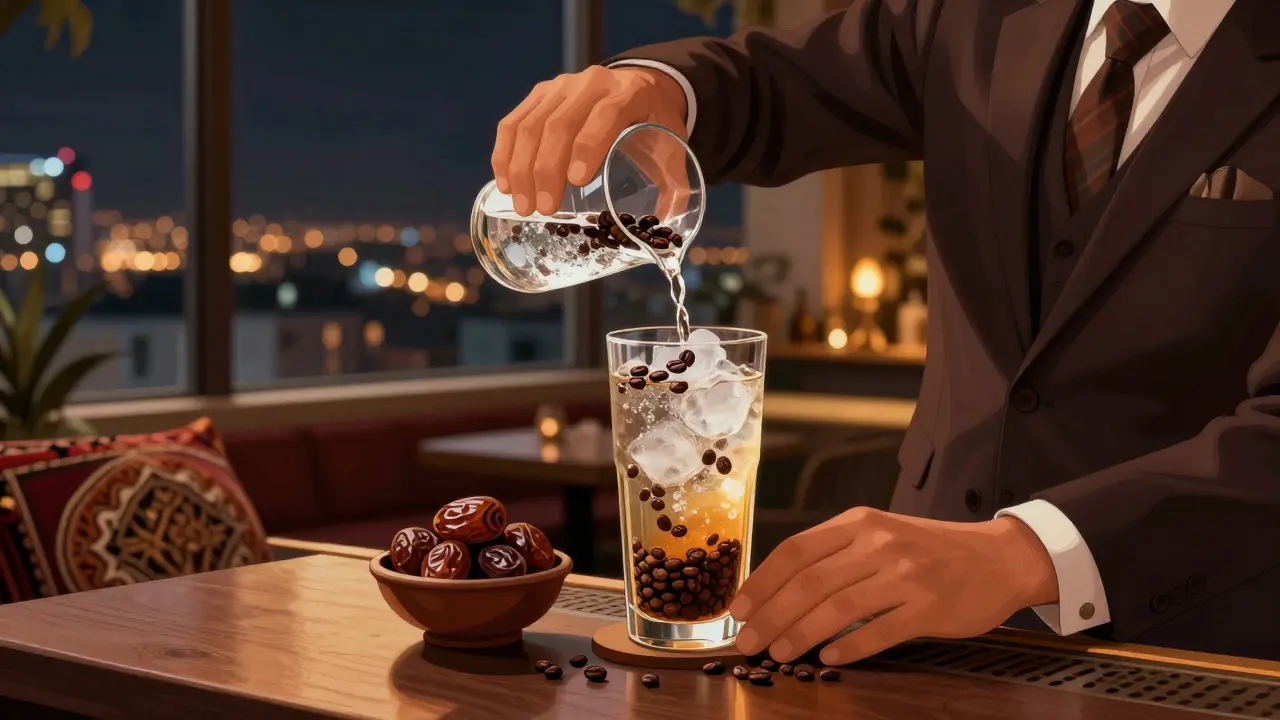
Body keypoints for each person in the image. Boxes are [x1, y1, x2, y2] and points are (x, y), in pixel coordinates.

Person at [492, 0, 1280, 663]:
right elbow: (775, 81)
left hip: (1196, 650)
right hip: (902, 640)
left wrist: (1033, 551)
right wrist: (656, 87)